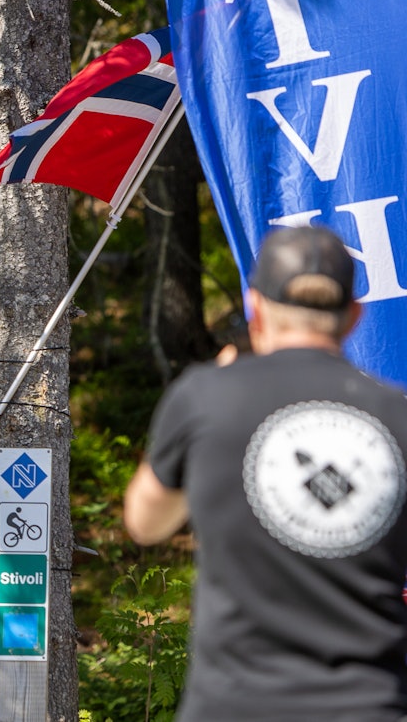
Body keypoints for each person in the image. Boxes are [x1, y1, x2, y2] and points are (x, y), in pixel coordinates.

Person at [124, 224, 407, 722]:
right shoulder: (397, 417)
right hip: (369, 706)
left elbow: (145, 523)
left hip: (234, 705)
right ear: (354, 316)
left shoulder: (205, 397)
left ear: (255, 307)